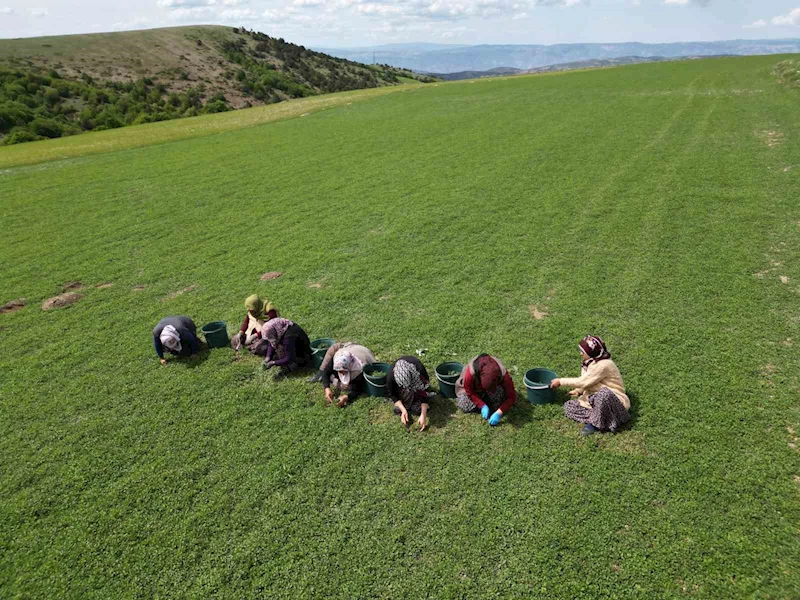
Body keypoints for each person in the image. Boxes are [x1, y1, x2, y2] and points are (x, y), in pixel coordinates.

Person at [550, 335, 630, 436]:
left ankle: (598, 423)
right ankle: (606, 420)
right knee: (569, 407)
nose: (580, 353)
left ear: (591, 352)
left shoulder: (604, 365)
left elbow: (584, 381)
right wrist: (579, 390)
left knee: (603, 395)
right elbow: (589, 381)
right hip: (593, 400)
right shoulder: (589, 362)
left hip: (613, 400)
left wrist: (561, 381)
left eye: (583, 352)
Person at [455, 354, 516, 426]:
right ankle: (485, 404)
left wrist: (499, 412)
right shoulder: (470, 373)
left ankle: (487, 402)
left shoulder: (503, 373)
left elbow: (512, 396)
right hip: (473, 390)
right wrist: (482, 405)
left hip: (489, 390)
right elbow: (469, 391)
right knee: (463, 404)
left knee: (500, 396)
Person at [318, 342, 376, 408]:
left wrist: (346, 397)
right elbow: (325, 372)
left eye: (343, 371)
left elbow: (358, 389)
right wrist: (327, 388)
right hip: (352, 348)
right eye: (339, 371)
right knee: (333, 378)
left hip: (364, 353)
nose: (341, 373)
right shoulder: (336, 359)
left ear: (349, 366)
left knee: (347, 386)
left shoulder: (358, 370)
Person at [387, 356, 435, 431]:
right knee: (404, 403)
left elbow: (424, 391)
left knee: (418, 407)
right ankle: (407, 404)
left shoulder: (419, 370)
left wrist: (423, 415)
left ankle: (415, 400)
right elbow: (393, 394)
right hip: (403, 384)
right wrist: (403, 410)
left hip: (415, 380)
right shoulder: (391, 376)